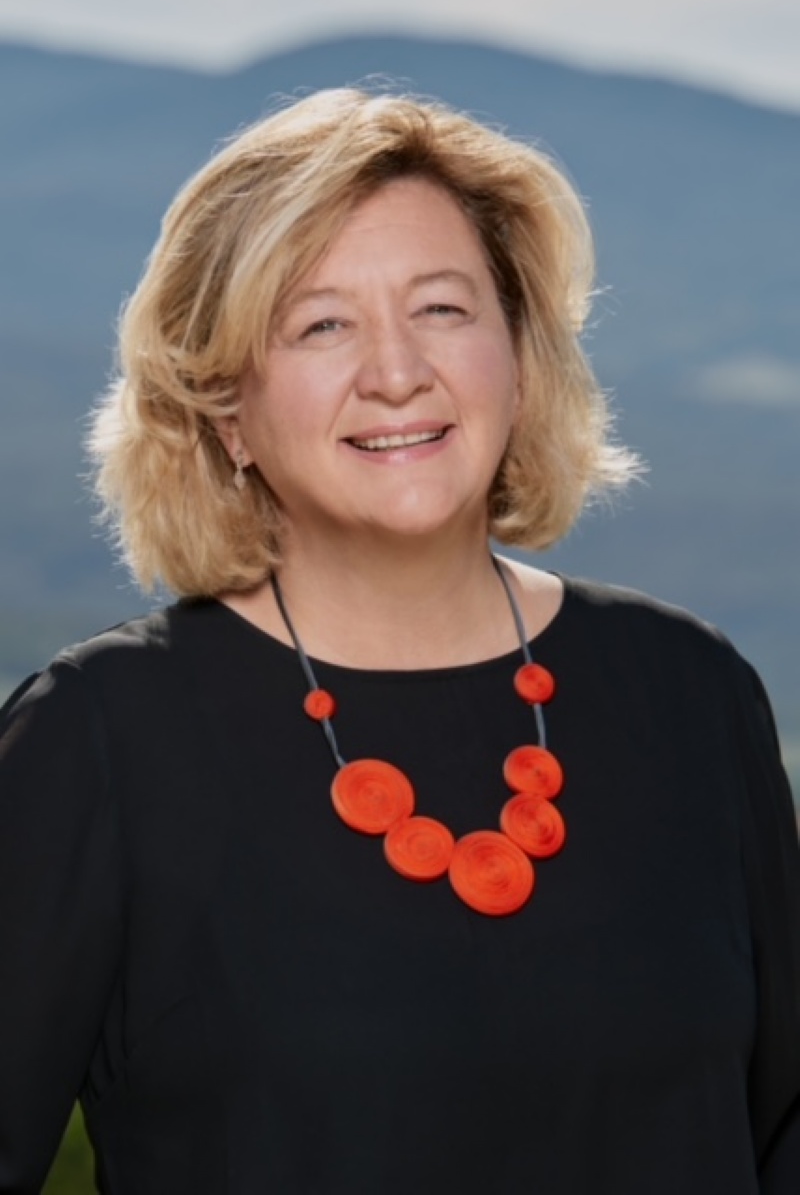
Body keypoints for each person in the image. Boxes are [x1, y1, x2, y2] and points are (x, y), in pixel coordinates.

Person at [1, 87, 798, 1195]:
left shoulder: (692, 695)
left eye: (441, 309)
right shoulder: (97, 741)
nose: (395, 372)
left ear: (518, 360)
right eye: (322, 325)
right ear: (225, 408)